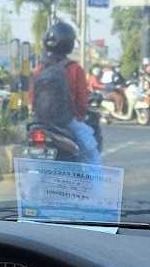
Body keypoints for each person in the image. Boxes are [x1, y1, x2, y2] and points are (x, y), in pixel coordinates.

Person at [35, 20, 101, 164]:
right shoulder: (74, 68)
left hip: (40, 122)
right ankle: (96, 187)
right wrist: (80, 116)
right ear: (69, 44)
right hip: (67, 122)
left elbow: (31, 96)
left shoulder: (39, 69)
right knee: (92, 155)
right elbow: (82, 101)